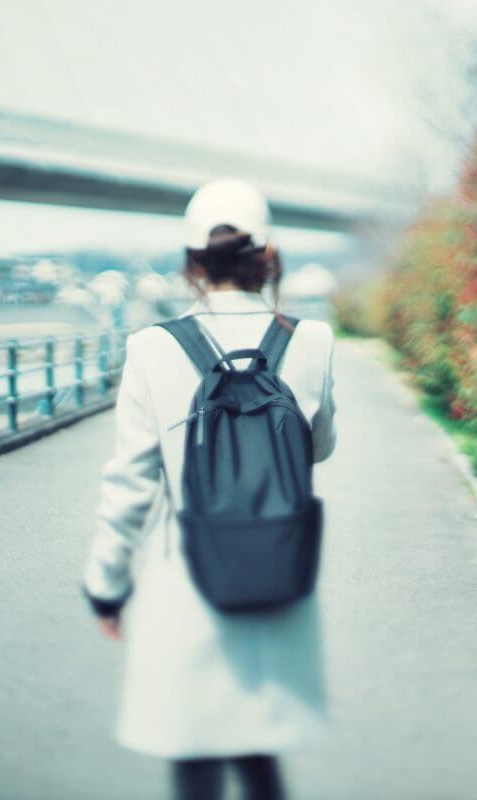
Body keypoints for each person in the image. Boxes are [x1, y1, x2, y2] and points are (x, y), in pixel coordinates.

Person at [82, 178, 338, 800]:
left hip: (189, 578)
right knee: (258, 751)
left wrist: (106, 585)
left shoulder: (152, 348)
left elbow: (131, 482)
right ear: (268, 255)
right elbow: (319, 447)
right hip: (280, 566)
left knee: (194, 752)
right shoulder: (311, 340)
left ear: (191, 262)